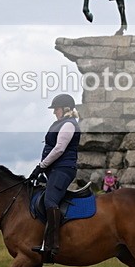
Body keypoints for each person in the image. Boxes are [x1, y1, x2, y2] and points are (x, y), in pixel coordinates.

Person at [29, 93, 80, 258]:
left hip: (63, 169)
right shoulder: (59, 123)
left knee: (50, 200)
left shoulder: (69, 125)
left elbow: (59, 149)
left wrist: (41, 166)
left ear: (64, 109)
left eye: (56, 109)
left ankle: (52, 243)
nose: (54, 112)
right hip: (53, 169)